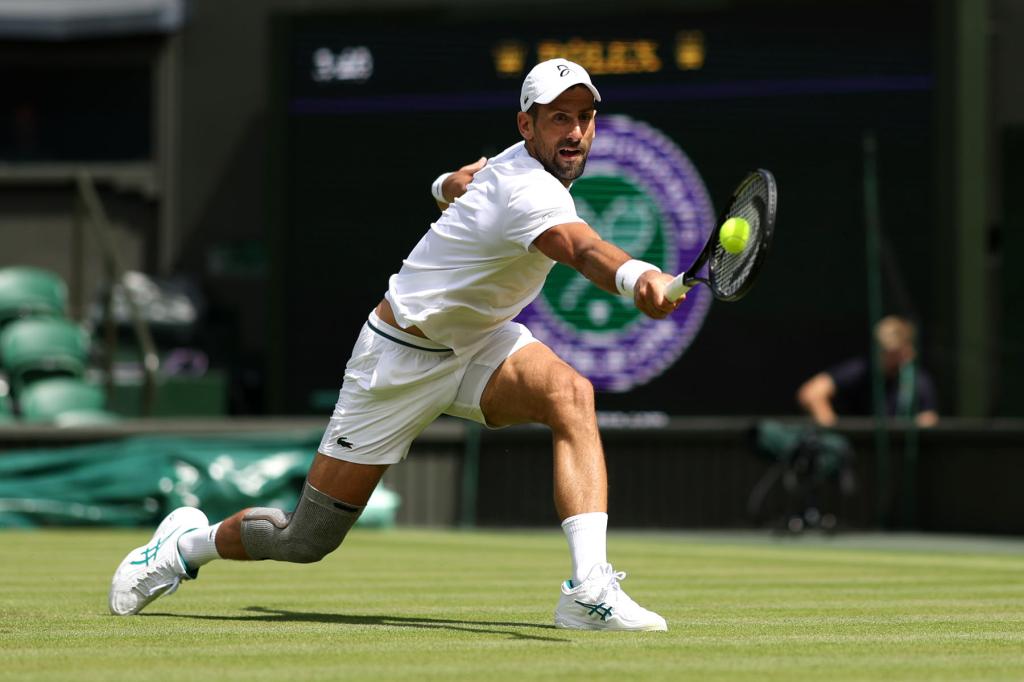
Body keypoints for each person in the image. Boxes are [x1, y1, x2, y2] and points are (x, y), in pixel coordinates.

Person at [109, 58, 682, 631]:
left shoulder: (506, 169)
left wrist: (445, 185)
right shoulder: (529, 191)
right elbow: (582, 249)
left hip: (479, 342)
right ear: (526, 125)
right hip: (397, 360)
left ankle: (587, 591)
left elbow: (456, 186)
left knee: (569, 393)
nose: (577, 132)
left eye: (585, 117)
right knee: (304, 538)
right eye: (560, 118)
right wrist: (637, 276)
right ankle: (183, 548)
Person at [796, 315, 939, 428]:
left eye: (897, 353)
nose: (893, 359)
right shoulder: (860, 370)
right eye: (887, 353)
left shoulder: (918, 380)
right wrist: (833, 429)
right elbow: (811, 393)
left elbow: (929, 417)